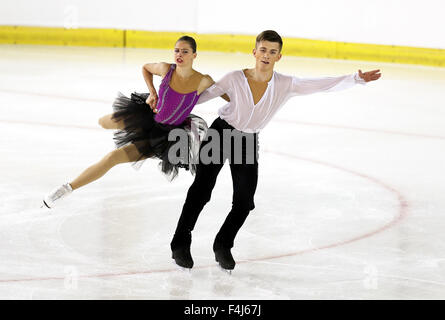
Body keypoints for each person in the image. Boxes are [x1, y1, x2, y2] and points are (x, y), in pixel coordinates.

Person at [170, 30, 382, 271]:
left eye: (272, 52)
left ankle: (222, 245)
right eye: (263, 50)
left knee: (244, 201)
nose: (266, 55)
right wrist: (166, 104)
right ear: (254, 52)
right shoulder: (234, 78)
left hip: (246, 142)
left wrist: (355, 78)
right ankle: (180, 243)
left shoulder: (285, 84)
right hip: (220, 134)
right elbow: (199, 97)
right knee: (201, 190)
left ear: (279, 57)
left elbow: (320, 85)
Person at [42, 36, 220, 208]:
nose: (179, 55)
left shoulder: (203, 80)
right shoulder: (166, 69)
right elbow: (145, 68)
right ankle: (110, 126)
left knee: (113, 158)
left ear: (194, 55)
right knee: (104, 122)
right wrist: (152, 92)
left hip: (165, 139)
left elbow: (229, 92)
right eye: (176, 51)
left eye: (185, 51)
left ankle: (66, 189)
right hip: (147, 117)